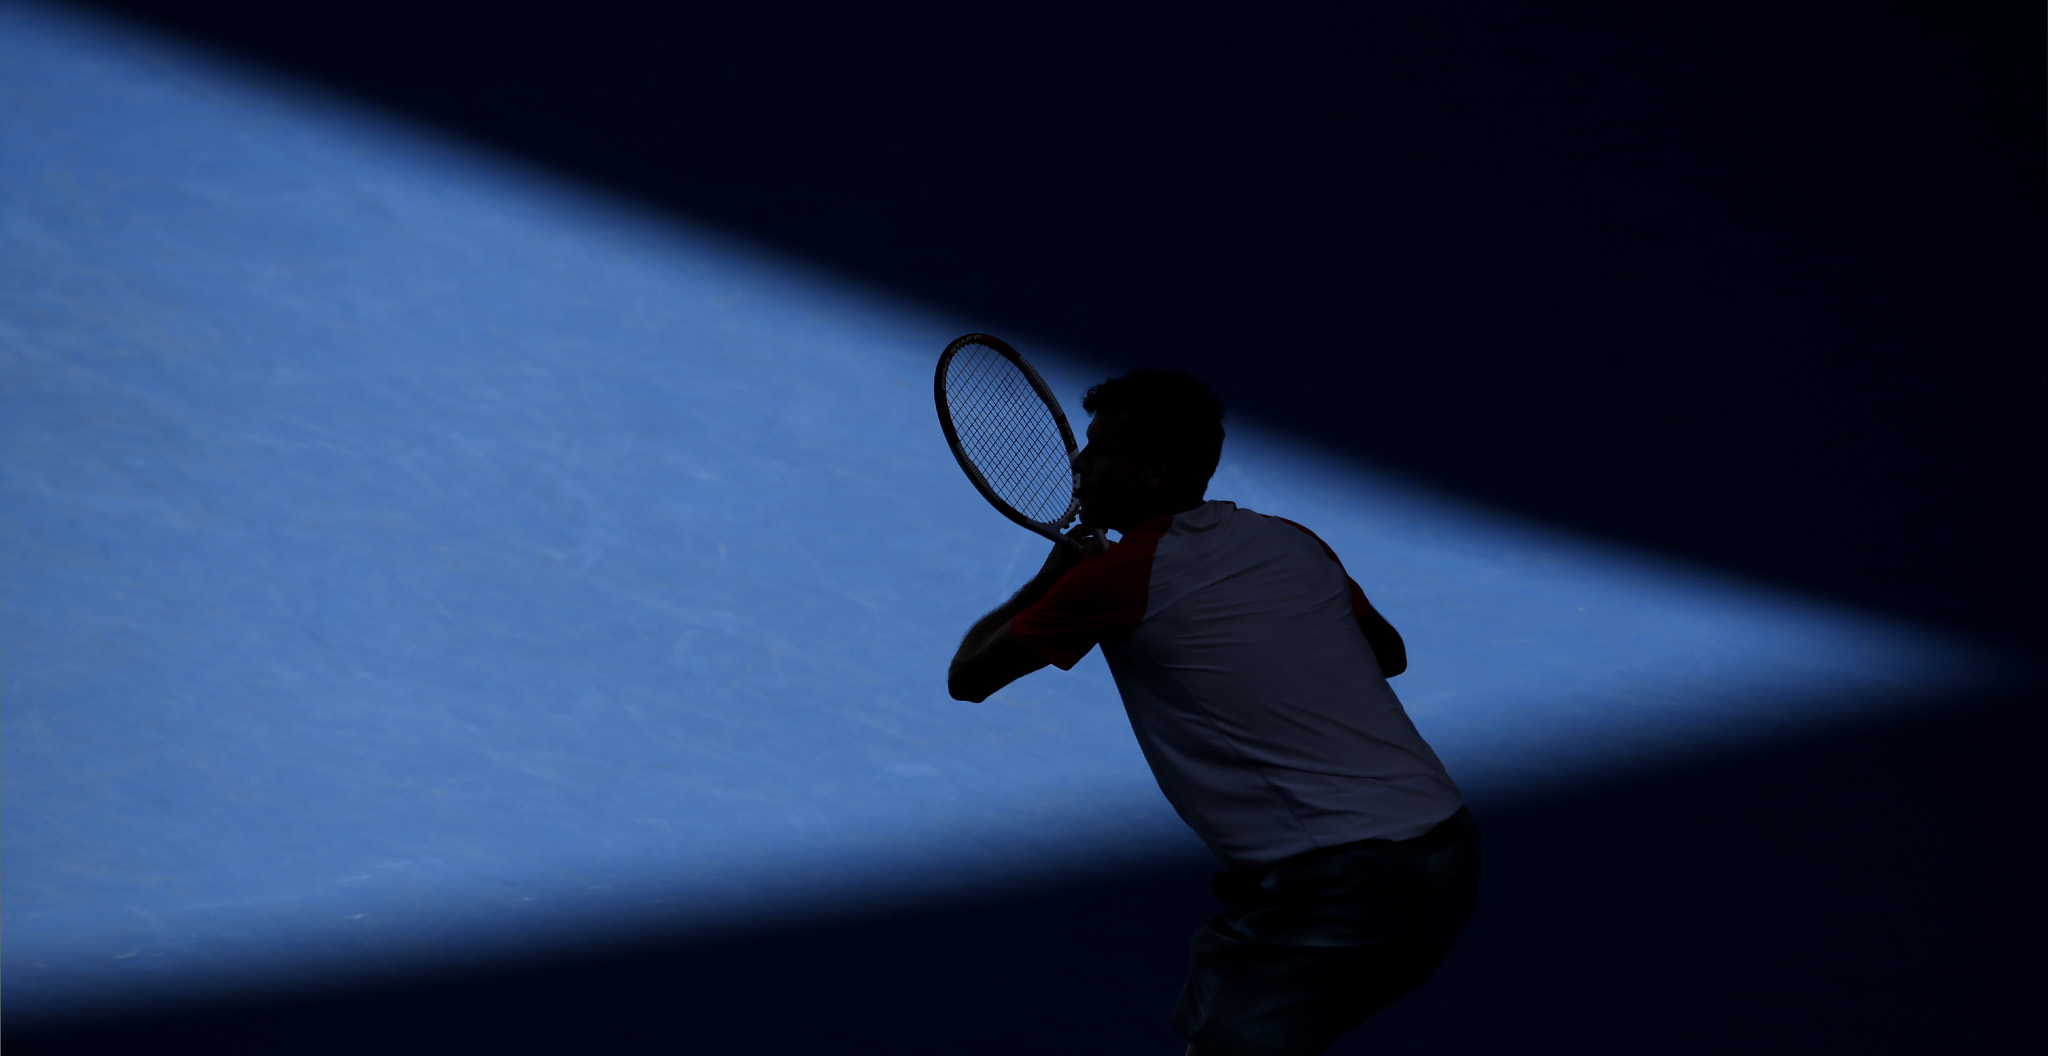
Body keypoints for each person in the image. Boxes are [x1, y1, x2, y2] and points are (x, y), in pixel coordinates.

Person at [948, 370, 1478, 1056]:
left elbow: (969, 676)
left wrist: (1056, 576)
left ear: (1156, 471)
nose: (1079, 462)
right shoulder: (1290, 539)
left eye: (1100, 448)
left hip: (1344, 886)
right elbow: (1389, 654)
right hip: (1446, 851)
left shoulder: (1117, 577)